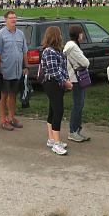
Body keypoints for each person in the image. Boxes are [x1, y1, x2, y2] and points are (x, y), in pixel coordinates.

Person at [0, 10, 28, 131]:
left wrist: (26, 66)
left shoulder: (20, 34)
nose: (13, 20)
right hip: (4, 72)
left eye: (15, 17)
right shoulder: (0, 35)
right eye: (11, 18)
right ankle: (3, 121)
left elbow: (24, 51)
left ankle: (11, 118)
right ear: (5, 20)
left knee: (13, 95)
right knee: (3, 96)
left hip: (17, 72)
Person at [39, 26, 71, 156]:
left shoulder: (58, 51)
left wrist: (66, 79)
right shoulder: (50, 51)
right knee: (58, 110)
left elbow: (62, 68)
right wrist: (65, 82)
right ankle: (56, 143)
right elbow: (54, 71)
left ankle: (51, 138)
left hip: (58, 83)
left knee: (53, 110)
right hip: (52, 83)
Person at [64, 24, 90, 142]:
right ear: (77, 34)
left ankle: (77, 130)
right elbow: (85, 63)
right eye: (81, 33)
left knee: (80, 104)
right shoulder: (73, 47)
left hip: (76, 78)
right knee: (78, 105)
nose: (83, 35)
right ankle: (73, 131)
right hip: (76, 79)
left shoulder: (72, 46)